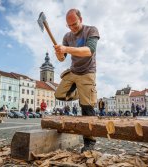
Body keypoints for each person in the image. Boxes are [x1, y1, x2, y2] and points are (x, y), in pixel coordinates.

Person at [54, 8, 100, 152]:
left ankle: (89, 142)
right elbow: (62, 59)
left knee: (87, 108)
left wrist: (66, 49)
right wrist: (59, 52)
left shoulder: (91, 30)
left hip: (87, 72)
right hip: (73, 71)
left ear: (81, 19)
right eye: (69, 26)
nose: (72, 28)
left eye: (75, 24)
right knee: (59, 95)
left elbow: (89, 51)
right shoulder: (67, 36)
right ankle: (81, 93)